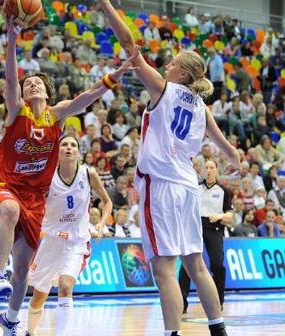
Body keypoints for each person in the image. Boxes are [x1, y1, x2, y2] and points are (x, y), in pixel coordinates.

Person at [0, 18, 136, 335]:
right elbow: (11, 82)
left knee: (25, 267)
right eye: (29, 85)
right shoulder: (17, 112)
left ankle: (11, 319)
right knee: (9, 211)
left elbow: (88, 96)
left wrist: (116, 76)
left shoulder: (56, 115)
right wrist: (12, 40)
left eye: (38, 83)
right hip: (5, 186)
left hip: (35, 200)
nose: (32, 85)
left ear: (48, 93)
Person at [99, 1, 240, 335]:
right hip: (188, 188)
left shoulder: (162, 89)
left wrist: (105, 5)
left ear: (184, 74)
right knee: (196, 265)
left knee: (164, 270)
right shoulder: (203, 107)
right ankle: (218, 329)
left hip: (160, 186)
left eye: (173, 63)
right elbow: (229, 151)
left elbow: (130, 45)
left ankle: (171, 333)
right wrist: (233, 162)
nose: (167, 65)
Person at [26, 136, 113, 336]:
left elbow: (107, 202)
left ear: (78, 152)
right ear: (57, 151)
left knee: (65, 286)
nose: (68, 147)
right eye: (64, 144)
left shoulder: (88, 174)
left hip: (76, 242)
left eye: (73, 145)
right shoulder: (47, 177)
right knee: (39, 295)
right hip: (51, 242)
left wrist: (100, 224)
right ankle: (30, 332)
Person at [179, 159, 233, 313]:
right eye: (206, 167)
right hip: (195, 227)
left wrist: (220, 216)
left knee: (217, 264)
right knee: (187, 264)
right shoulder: (195, 188)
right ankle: (182, 301)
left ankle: (218, 300)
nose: (208, 170)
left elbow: (230, 214)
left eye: (211, 167)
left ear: (216, 170)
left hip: (214, 228)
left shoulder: (223, 191)